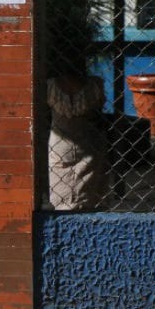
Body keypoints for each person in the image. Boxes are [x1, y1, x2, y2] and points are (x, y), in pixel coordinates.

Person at [47, 64, 109, 210]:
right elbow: (98, 112)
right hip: (88, 141)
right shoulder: (95, 85)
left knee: (60, 197)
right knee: (90, 196)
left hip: (60, 144)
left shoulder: (49, 86)